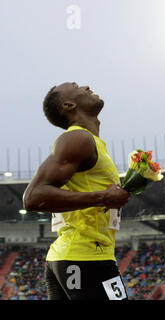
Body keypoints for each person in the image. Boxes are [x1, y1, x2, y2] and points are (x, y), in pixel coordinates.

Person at [23, 82, 131, 300]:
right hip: (85, 257)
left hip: (78, 257)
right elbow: (33, 198)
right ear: (69, 105)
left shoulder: (92, 143)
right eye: (76, 86)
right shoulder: (78, 138)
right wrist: (103, 197)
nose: (86, 86)